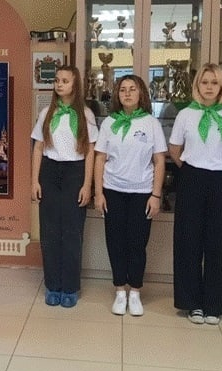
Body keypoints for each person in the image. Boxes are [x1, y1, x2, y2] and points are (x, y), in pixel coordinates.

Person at [170, 63, 222, 325]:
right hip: (191, 178)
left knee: (218, 243)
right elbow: (174, 149)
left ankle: (214, 304)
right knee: (188, 241)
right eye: (205, 82)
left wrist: (217, 165)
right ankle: (192, 303)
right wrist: (191, 168)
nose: (209, 87)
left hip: (220, 181)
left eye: (214, 82)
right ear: (197, 85)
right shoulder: (185, 115)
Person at [94, 74, 166, 316]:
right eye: (122, 89)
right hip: (113, 191)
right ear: (117, 94)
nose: (127, 93)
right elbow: (100, 158)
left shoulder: (151, 123)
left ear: (141, 93)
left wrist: (156, 195)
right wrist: (98, 193)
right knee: (115, 242)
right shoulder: (109, 123)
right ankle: (119, 291)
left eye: (132, 89)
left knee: (137, 243)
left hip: (142, 193)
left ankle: (134, 291)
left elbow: (159, 160)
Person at [30, 65, 98, 308]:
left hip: (75, 172)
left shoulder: (86, 115)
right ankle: (52, 285)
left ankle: (69, 287)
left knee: (71, 232)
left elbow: (90, 151)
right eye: (57, 80)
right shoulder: (46, 113)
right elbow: (38, 147)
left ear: (75, 84)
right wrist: (34, 180)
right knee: (49, 231)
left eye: (65, 81)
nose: (59, 84)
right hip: (50, 171)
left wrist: (87, 184)